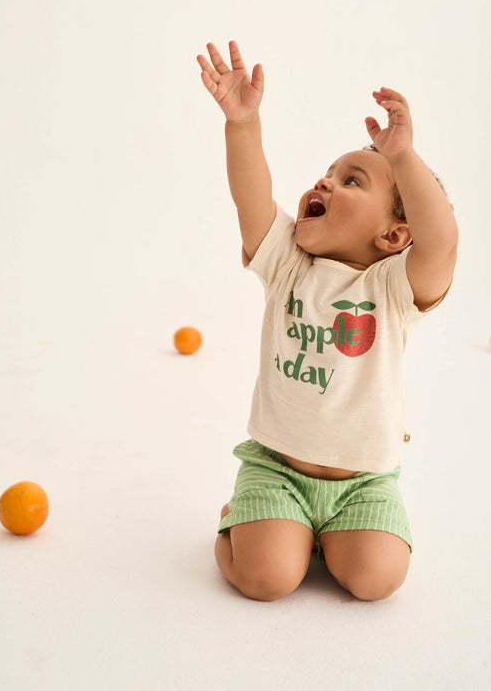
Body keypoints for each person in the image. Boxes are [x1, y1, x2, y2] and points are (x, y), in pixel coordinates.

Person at [196, 41, 458, 602]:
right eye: (327, 174)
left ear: (394, 236)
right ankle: (241, 521)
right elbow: (252, 198)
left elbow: (440, 242)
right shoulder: (287, 264)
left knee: (377, 580)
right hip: (279, 471)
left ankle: (319, 535)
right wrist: (242, 124)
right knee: (266, 580)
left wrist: (404, 158)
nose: (325, 183)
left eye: (352, 181)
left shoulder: (392, 289)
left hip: (363, 483)